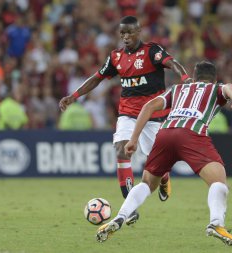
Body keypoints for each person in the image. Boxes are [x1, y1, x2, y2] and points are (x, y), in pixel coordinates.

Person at [96, 61, 232, 247]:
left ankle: (120, 216)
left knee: (147, 183)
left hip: (165, 133)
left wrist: (133, 139)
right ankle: (216, 223)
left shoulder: (178, 89)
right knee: (219, 183)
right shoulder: (215, 89)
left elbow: (148, 107)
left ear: (194, 76)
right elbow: (229, 87)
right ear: (214, 78)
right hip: (192, 135)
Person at [59, 16, 192, 225]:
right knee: (121, 150)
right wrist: (74, 96)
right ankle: (130, 208)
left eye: (130, 32)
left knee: (157, 165)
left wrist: (186, 79)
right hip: (128, 114)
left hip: (154, 116)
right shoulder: (115, 57)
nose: (126, 37)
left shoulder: (151, 51)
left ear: (139, 32)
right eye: (122, 33)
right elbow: (97, 77)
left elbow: (173, 63)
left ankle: (164, 177)